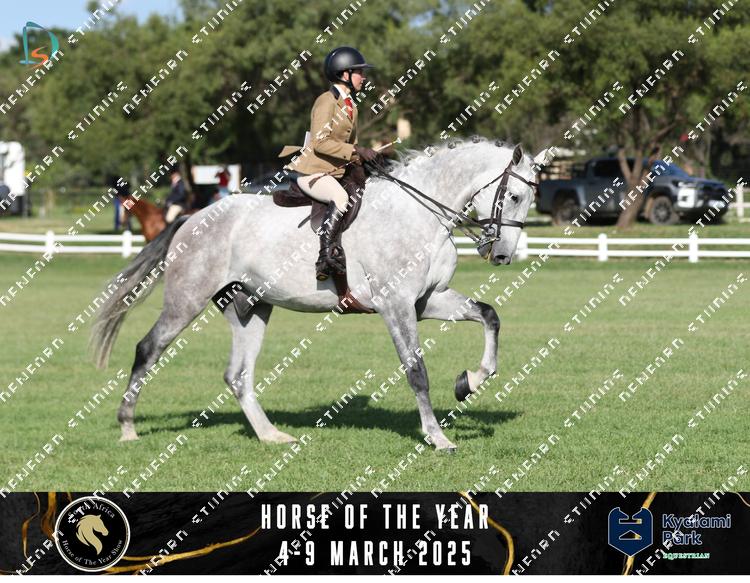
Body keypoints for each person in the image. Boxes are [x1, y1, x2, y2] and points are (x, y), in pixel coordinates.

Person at [279, 46, 379, 281]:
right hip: (312, 172)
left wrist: (366, 158)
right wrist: (356, 150)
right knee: (341, 198)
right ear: (344, 74)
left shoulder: (351, 105)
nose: (364, 78)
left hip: (334, 172)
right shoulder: (326, 101)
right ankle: (324, 257)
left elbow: (349, 146)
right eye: (359, 73)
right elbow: (320, 142)